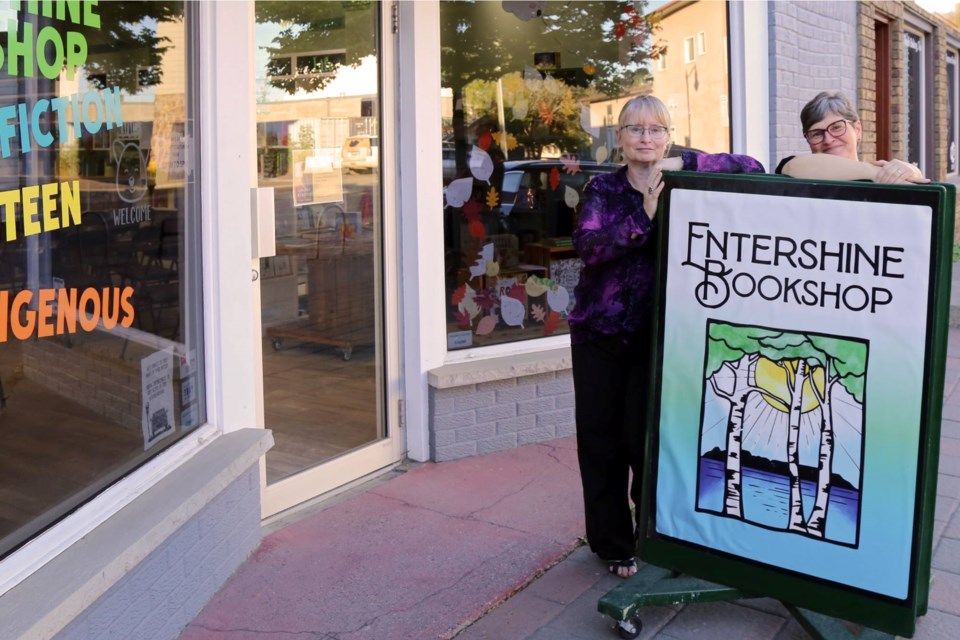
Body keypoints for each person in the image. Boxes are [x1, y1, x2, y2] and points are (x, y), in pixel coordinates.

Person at [568, 95, 765, 578]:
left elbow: (751, 166)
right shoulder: (603, 189)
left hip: (654, 339)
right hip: (598, 335)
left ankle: (649, 535)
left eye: (657, 130)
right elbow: (589, 247)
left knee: (645, 441)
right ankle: (613, 545)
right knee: (600, 442)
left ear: (669, 137)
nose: (646, 139)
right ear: (620, 138)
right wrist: (645, 215)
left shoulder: (680, 177)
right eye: (636, 130)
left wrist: (679, 163)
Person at [776, 91, 929, 183]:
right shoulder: (797, 171)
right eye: (817, 134)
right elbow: (792, 166)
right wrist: (877, 173)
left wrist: (911, 172)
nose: (828, 140)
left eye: (837, 127)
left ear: (857, 129)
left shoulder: (883, 184)